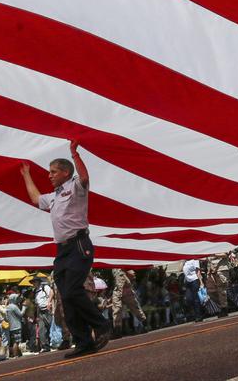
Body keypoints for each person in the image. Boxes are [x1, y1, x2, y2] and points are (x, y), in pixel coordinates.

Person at [21, 142, 111, 357]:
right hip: (62, 250)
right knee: (65, 296)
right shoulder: (54, 196)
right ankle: (83, 342)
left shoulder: (76, 187)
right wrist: (25, 174)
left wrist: (75, 154)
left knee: (72, 290)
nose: (49, 176)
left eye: (53, 172)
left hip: (79, 244)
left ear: (65, 172)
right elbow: (36, 199)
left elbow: (86, 178)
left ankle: (101, 325)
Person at [110, 269, 147, 336]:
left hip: (125, 289)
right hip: (121, 288)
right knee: (117, 309)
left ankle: (144, 324)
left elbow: (132, 275)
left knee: (135, 307)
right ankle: (117, 330)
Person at [32, 277, 54, 352]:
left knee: (51, 326)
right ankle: (45, 346)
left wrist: (49, 303)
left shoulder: (45, 287)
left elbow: (51, 293)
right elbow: (37, 304)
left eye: (34, 282)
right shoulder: (35, 291)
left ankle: (54, 342)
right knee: (41, 329)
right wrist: (37, 315)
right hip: (40, 311)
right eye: (32, 282)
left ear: (38, 282)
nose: (33, 284)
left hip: (47, 310)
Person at [181, 259, 204, 323]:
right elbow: (179, 269)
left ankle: (199, 316)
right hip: (188, 282)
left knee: (196, 299)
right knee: (189, 299)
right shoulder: (185, 261)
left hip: (195, 280)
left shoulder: (195, 260)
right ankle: (196, 314)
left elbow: (198, 271)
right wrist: (182, 262)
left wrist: (201, 282)